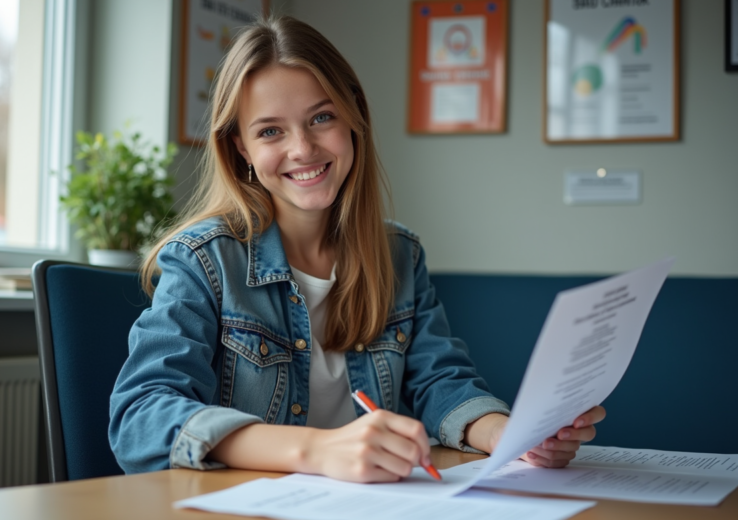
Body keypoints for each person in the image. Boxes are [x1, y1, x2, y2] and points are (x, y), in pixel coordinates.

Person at [108, 16, 605, 482]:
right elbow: (142, 415)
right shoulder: (203, 260)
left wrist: (512, 435)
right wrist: (316, 450)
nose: (302, 149)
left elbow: (440, 382)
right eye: (270, 131)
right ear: (242, 149)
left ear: (353, 120)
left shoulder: (399, 256)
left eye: (321, 117)